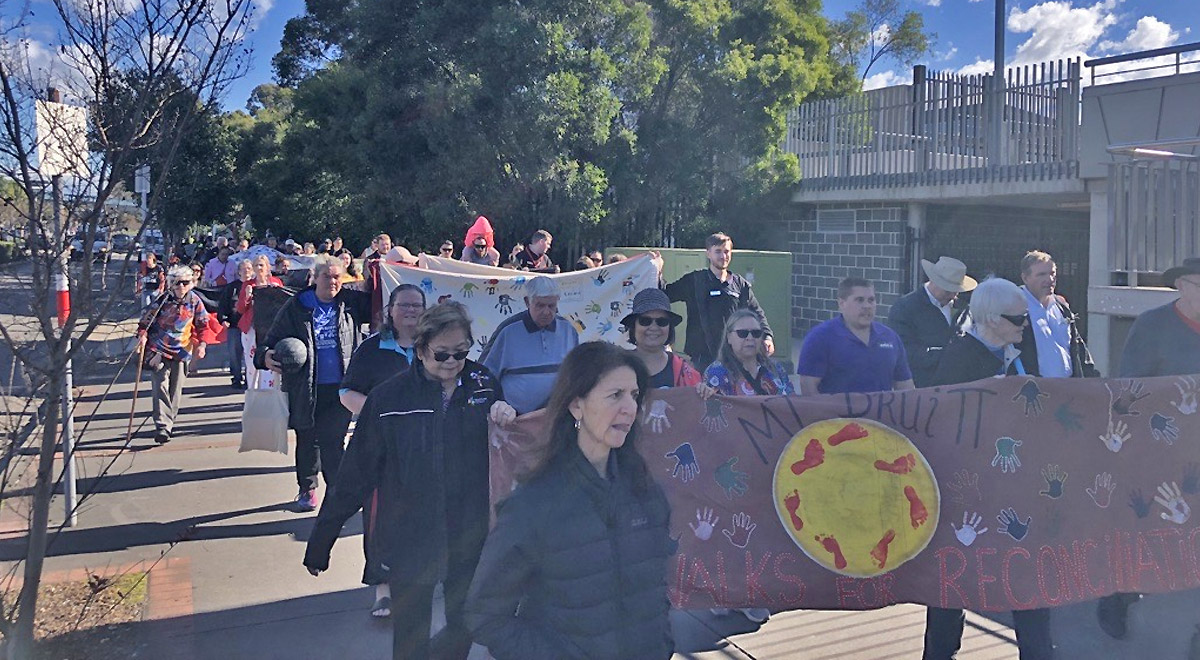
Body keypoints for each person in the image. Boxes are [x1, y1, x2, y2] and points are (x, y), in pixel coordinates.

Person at [305, 302, 517, 660]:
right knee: (410, 637)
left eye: (461, 353)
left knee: (466, 622)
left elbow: (511, 452)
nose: (451, 362)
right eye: (442, 354)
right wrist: (322, 539)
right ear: (420, 350)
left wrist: (505, 413)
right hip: (409, 536)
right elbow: (355, 474)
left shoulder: (484, 386)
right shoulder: (389, 399)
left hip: (469, 531)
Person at [465, 342, 674, 660]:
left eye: (634, 395)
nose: (630, 407)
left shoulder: (646, 494)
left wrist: (660, 645)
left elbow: (654, 592)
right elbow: (485, 615)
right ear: (576, 406)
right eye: (615, 395)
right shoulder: (533, 504)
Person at [923, 277, 1053, 660]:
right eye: (1017, 317)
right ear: (993, 318)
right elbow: (942, 419)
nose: (1024, 324)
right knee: (954, 584)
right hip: (968, 491)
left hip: (1016, 487)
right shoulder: (959, 358)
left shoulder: (1017, 354)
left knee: (1028, 580)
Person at [1094, 256, 1200, 639]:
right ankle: (1117, 596)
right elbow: (1128, 391)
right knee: (1142, 524)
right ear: (1182, 287)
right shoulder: (1153, 325)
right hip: (1158, 447)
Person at [336, 283, 426, 618]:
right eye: (404, 305)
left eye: (416, 305)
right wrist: (381, 415)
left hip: (425, 449)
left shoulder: (434, 347)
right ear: (390, 310)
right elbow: (347, 393)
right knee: (379, 519)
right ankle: (383, 591)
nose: (411, 311)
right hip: (382, 450)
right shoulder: (373, 349)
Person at [258, 255, 371, 512]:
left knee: (333, 440)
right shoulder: (297, 306)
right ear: (315, 277)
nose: (332, 282)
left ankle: (338, 492)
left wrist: (379, 270)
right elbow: (270, 339)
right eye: (327, 276)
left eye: (337, 277)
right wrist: (264, 356)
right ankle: (307, 488)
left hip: (342, 387)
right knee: (308, 437)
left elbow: (383, 302)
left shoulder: (351, 303)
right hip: (305, 386)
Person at [665, 232, 773, 371]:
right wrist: (654, 270)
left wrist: (767, 336)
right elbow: (665, 294)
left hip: (734, 357)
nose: (723, 256)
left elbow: (756, 313)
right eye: (718, 252)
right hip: (701, 359)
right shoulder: (695, 281)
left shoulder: (740, 285)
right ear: (708, 253)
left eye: (726, 251)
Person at [797, 276, 915, 395]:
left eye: (871, 300)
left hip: (882, 413)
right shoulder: (820, 337)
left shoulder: (890, 337)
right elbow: (808, 385)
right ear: (841, 303)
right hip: (838, 413)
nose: (867, 306)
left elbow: (904, 385)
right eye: (859, 300)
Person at [479, 276, 580, 414]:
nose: (546, 312)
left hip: (556, 417)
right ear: (527, 302)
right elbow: (485, 375)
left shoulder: (568, 330)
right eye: (540, 305)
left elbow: (576, 372)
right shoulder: (508, 331)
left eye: (551, 306)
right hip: (514, 420)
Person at [137, 265, 213, 444]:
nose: (181, 287)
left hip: (182, 350)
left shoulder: (195, 301)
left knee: (175, 390)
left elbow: (203, 325)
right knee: (160, 386)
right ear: (171, 284)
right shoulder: (162, 300)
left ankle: (169, 421)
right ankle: (163, 426)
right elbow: (145, 322)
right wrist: (142, 335)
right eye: (177, 283)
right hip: (158, 349)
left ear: (191, 283)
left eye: (185, 283)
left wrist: (202, 345)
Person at [885, 256, 977, 387]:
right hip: (923, 387)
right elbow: (903, 350)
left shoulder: (963, 308)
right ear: (934, 281)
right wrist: (946, 355)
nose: (952, 296)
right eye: (948, 290)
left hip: (956, 388)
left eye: (956, 291)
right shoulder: (905, 307)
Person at [1018, 250, 1099, 379]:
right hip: (1035, 390)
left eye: (1052, 274)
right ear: (1025, 278)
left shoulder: (1061, 307)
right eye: (1041, 275)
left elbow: (1078, 349)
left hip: (1068, 388)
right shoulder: (1016, 307)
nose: (1049, 279)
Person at [621, 288, 701, 389]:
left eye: (662, 321)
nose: (654, 327)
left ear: (669, 328)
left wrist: (704, 392)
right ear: (634, 326)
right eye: (645, 321)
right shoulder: (616, 368)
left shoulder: (686, 373)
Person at [705, 309, 794, 397]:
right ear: (729, 337)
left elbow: (792, 402)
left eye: (756, 333)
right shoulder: (716, 373)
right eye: (742, 333)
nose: (750, 337)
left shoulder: (776, 369)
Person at [235, 255, 283, 390]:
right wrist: (247, 296)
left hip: (271, 327)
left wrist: (276, 292)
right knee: (252, 363)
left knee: (271, 358)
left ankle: (269, 393)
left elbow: (284, 304)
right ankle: (253, 391)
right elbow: (240, 309)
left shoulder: (276, 282)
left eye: (261, 265)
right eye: (256, 265)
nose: (259, 268)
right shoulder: (248, 284)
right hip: (252, 328)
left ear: (268, 267)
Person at [217, 259, 253, 389]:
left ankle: (250, 378)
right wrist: (223, 319)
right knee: (235, 353)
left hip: (251, 326)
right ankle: (237, 378)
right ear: (238, 272)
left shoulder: (256, 286)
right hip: (235, 325)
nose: (246, 271)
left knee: (250, 353)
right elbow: (223, 305)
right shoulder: (231, 288)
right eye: (244, 269)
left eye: (249, 268)